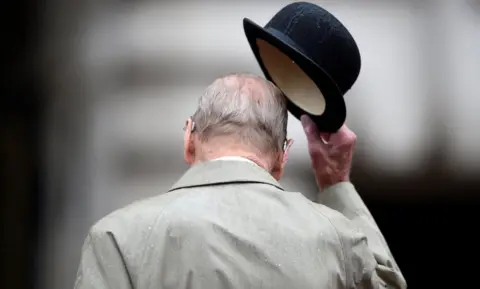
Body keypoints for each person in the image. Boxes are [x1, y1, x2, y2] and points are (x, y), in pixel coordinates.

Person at [74, 73, 406, 289]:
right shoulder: (337, 237)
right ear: (282, 156)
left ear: (190, 137)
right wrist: (336, 184)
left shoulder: (116, 238)